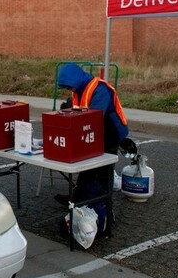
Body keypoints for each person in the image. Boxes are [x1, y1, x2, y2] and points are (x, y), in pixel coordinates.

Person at [55, 62, 129, 205]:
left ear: (75, 80)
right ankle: (78, 198)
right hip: (94, 132)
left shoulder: (100, 89)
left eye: (69, 86)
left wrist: (72, 114)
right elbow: (80, 110)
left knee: (105, 170)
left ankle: (105, 206)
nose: (68, 89)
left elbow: (94, 115)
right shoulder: (78, 90)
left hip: (111, 133)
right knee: (87, 167)